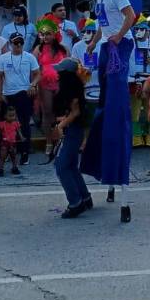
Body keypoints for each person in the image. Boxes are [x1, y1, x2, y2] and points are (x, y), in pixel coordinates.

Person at [71, 0, 138, 222]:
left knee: (116, 88)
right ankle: (106, 109)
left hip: (120, 45)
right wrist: (93, 41)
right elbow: (101, 23)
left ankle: (114, 108)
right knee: (104, 87)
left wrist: (118, 37)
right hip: (106, 45)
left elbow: (131, 15)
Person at [51, 59, 93, 218]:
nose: (57, 73)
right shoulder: (72, 88)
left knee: (61, 166)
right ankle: (85, 196)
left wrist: (60, 126)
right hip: (75, 130)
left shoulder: (72, 90)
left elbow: (75, 113)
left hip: (73, 132)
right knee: (71, 166)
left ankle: (75, 203)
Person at [0, 33, 39, 164]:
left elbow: (38, 74)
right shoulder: (3, 58)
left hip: (23, 92)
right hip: (8, 93)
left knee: (24, 123)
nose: (18, 45)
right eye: (16, 42)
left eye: (20, 42)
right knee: (7, 124)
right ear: (10, 44)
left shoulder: (29, 57)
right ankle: (8, 149)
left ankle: (24, 151)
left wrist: (33, 84)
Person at [33, 19, 68, 161]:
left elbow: (69, 65)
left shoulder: (63, 49)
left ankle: (61, 140)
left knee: (62, 112)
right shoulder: (38, 49)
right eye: (43, 34)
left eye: (48, 34)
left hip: (60, 83)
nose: (45, 37)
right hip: (45, 83)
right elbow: (34, 69)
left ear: (54, 34)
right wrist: (34, 84)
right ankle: (48, 141)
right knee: (47, 112)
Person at [0, 105, 22, 176]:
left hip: (13, 142)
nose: (12, 117)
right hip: (4, 143)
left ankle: (14, 167)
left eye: (13, 115)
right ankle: (1, 169)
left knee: (14, 156)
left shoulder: (16, 123)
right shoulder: (2, 124)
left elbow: (19, 131)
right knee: (2, 156)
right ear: (5, 116)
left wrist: (22, 137)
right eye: (10, 115)